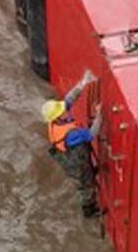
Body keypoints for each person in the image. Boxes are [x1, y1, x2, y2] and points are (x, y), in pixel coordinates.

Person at [42, 70, 102, 218]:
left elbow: (69, 99)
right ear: (59, 115)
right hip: (74, 160)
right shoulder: (72, 135)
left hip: (64, 153)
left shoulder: (55, 121)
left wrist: (83, 82)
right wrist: (100, 114)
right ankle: (89, 210)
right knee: (86, 184)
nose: (64, 109)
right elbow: (92, 133)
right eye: (62, 110)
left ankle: (90, 172)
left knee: (85, 173)